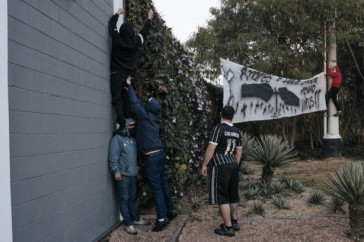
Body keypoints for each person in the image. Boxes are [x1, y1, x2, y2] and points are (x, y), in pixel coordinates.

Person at [126, 76, 177, 232]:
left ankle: (162, 219)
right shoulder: (155, 117)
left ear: (149, 109)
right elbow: (141, 105)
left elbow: (136, 103)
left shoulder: (146, 116)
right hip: (160, 155)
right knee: (163, 184)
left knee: (157, 189)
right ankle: (171, 211)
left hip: (152, 158)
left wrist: (129, 84)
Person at [109, 8, 154, 135]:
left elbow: (111, 25)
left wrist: (118, 14)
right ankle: (130, 126)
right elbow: (144, 32)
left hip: (116, 74)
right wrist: (149, 18)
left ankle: (123, 126)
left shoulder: (117, 39)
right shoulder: (135, 42)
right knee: (126, 98)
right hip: (128, 77)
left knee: (117, 99)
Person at [201, 105, 243, 237]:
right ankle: (234, 222)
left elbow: (211, 147)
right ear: (233, 117)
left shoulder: (218, 129)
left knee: (221, 196)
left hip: (220, 165)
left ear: (221, 114)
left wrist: (204, 164)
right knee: (232, 194)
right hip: (233, 164)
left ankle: (228, 227)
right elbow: (239, 151)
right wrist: (235, 165)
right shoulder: (237, 131)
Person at [109, 118, 150, 235]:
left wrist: (136, 171)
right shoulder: (117, 139)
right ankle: (128, 223)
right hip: (122, 175)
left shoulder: (132, 139)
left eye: (133, 126)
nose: (132, 128)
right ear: (125, 126)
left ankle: (136, 219)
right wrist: (116, 171)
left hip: (132, 175)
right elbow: (113, 157)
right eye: (130, 126)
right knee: (124, 199)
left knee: (132, 198)